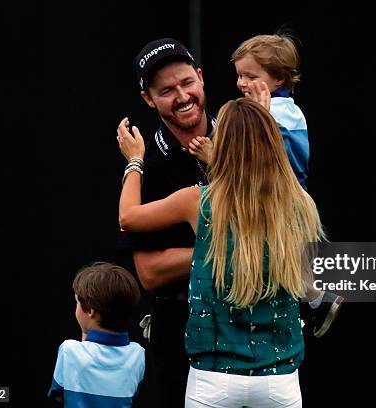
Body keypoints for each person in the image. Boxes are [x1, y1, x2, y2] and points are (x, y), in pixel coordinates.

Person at [117, 97, 325, 407]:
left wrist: (135, 160)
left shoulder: (199, 201)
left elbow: (128, 217)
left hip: (213, 378)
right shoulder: (297, 204)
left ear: (222, 144)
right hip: (279, 379)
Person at [188, 33, 343, 337]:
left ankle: (314, 303)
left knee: (283, 260)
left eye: (251, 76)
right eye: (239, 75)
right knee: (287, 263)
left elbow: (258, 165)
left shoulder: (277, 114)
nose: (241, 83)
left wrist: (214, 156)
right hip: (282, 201)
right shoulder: (281, 111)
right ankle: (313, 303)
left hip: (280, 201)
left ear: (279, 79)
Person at [116, 37, 214, 407]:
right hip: (180, 336)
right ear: (148, 99)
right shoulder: (143, 167)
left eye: (188, 83)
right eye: (167, 90)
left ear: (201, 78)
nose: (183, 96)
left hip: (253, 331)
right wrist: (232, 256)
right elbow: (150, 273)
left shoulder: (242, 138)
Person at [48, 262, 145, 407]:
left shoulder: (69, 350)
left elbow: (58, 395)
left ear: (90, 311)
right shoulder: (138, 354)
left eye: (77, 303)